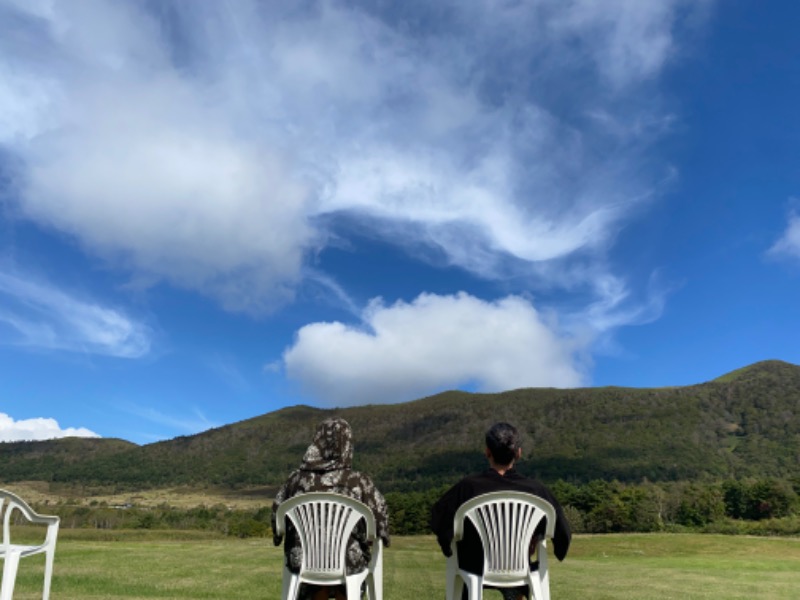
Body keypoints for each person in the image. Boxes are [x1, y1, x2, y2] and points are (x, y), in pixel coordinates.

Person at [430, 422, 571, 600]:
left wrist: (448, 544)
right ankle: (516, 592)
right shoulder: (536, 491)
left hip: (474, 568)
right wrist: (539, 537)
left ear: (487, 452)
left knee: (463, 553)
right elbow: (562, 532)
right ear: (518, 453)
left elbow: (438, 520)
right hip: (520, 569)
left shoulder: (467, 488)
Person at [272, 417, 390, 600]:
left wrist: (279, 537)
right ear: (347, 445)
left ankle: (316, 592)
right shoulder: (359, 481)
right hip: (347, 563)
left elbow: (277, 518)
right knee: (353, 560)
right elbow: (380, 518)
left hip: (303, 562)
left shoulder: (294, 480)